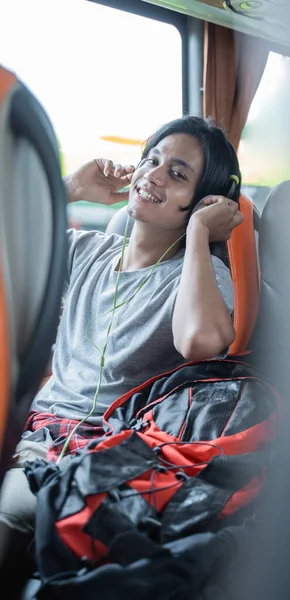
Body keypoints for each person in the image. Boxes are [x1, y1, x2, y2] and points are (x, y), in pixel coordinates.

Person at [0, 115, 243, 578]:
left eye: (177, 173)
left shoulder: (201, 279)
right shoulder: (86, 251)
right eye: (151, 160)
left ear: (204, 200)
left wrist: (197, 235)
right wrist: (66, 186)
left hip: (100, 463)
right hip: (34, 435)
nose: (151, 175)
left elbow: (200, 342)